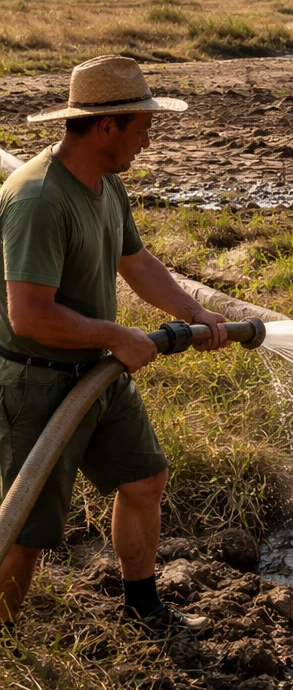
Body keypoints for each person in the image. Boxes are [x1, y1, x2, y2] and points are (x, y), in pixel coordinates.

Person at [0, 55, 230, 636]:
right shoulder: (38, 200)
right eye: (142, 128)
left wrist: (194, 312)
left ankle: (143, 605)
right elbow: (28, 316)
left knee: (144, 479)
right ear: (107, 126)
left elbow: (135, 260)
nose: (147, 142)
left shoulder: (105, 185)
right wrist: (116, 335)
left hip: (97, 373)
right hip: (36, 382)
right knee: (24, 532)